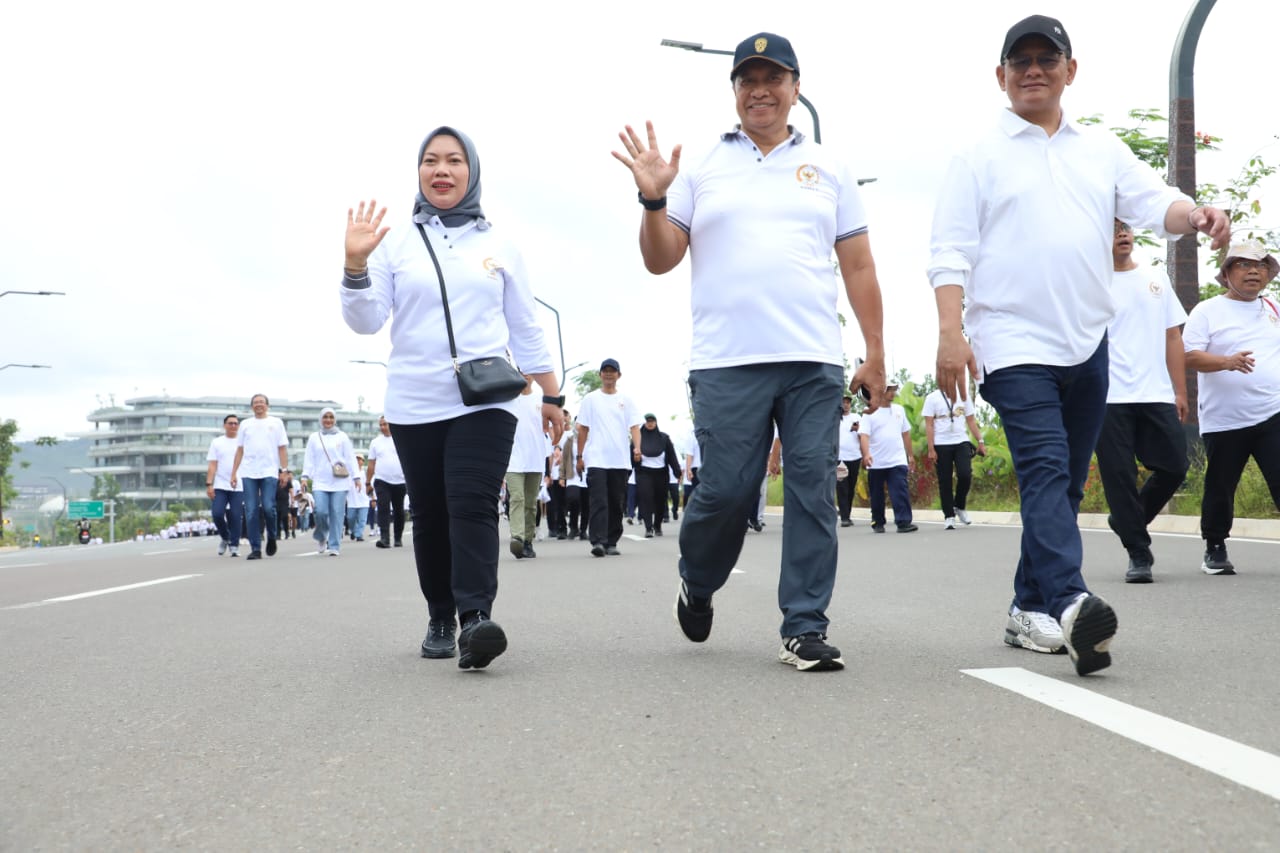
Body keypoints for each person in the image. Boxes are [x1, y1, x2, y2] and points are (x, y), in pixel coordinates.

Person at [928, 15, 1230, 676]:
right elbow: (948, 252)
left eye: (1047, 58)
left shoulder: (1101, 150)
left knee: (1061, 482)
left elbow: (1159, 204)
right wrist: (951, 335)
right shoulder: (976, 156)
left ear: (1070, 69)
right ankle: (1070, 601)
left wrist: (1197, 214)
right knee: (1044, 467)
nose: (1034, 69)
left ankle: (1025, 606)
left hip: (1085, 342)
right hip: (1010, 342)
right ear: (1001, 76)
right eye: (1021, 60)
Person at [613, 31, 887, 671]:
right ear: (734, 90)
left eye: (773, 78)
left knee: (814, 486)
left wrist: (875, 352)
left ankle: (804, 626)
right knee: (730, 490)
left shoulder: (830, 169)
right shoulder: (702, 167)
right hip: (726, 361)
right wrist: (654, 198)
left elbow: (860, 265)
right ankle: (698, 577)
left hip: (812, 358)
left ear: (795, 87)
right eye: (747, 79)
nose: (759, 90)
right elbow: (660, 260)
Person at [341, 125, 562, 670]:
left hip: (485, 398)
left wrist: (553, 394)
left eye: (454, 161)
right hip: (415, 400)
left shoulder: (499, 243)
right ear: (419, 173)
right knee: (433, 513)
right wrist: (354, 266)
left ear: (472, 172)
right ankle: (440, 614)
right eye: (431, 161)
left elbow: (525, 325)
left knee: (471, 503)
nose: (442, 170)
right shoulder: (396, 243)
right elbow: (367, 322)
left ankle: (475, 618)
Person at [1095, 220, 1190, 583]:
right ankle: (1138, 552)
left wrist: (1179, 391)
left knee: (1175, 466)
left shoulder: (1156, 278)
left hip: (1155, 393)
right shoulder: (1092, 282)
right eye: (1112, 228)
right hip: (1108, 398)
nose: (1121, 233)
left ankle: (1124, 520)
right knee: (1119, 476)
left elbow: (1172, 338)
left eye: (1125, 227)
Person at [1183, 241, 1280, 576]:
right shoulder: (1207, 311)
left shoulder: (1274, 307)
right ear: (1226, 274)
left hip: (1273, 412)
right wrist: (1226, 361)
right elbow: (1189, 356)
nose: (1253, 270)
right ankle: (1215, 547)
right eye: (1242, 264)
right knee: (1221, 485)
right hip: (1225, 420)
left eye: (1260, 265)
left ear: (1268, 274)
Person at [576, 358, 642, 557]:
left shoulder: (626, 400)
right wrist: (580, 455)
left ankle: (612, 541)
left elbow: (634, 427)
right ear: (600, 375)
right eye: (605, 371)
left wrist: (637, 447)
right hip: (596, 458)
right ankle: (598, 541)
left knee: (616, 501)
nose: (608, 374)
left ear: (618, 375)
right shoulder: (590, 399)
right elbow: (583, 428)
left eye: (612, 371)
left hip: (619, 459)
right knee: (598, 501)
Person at [230, 393, 290, 561]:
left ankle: (272, 536)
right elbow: (240, 450)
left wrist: (284, 470)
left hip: (269, 471)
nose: (259, 405)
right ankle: (255, 548)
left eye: (262, 402)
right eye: (255, 403)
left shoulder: (276, 423)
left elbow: (282, 448)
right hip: (248, 472)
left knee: (269, 507)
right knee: (250, 511)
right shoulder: (245, 424)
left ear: (267, 405)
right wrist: (234, 472)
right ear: (251, 406)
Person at [922, 386, 986, 530]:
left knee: (965, 475)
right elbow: (929, 424)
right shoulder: (932, 398)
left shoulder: (963, 396)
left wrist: (980, 441)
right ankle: (949, 516)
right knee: (945, 480)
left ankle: (959, 505)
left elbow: (970, 420)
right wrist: (931, 448)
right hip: (941, 443)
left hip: (961, 441)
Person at [858, 384, 917, 533]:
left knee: (900, 490)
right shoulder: (869, 413)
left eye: (893, 390)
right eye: (888, 390)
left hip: (897, 460)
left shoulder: (899, 410)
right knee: (877, 494)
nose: (892, 393)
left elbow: (906, 434)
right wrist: (866, 454)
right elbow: (864, 435)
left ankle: (903, 522)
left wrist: (910, 456)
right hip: (876, 461)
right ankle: (878, 522)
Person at [302, 407, 358, 556]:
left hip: (340, 481)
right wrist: (304, 476)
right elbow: (309, 458)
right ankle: (321, 536)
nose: (328, 420)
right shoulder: (314, 437)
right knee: (320, 511)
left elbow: (351, 458)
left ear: (335, 419)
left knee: (337, 513)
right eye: (325, 417)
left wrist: (357, 477)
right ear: (321, 419)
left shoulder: (343, 436)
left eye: (331, 417)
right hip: (320, 481)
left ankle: (334, 545)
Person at [506, 374, 550, 559]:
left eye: (528, 373)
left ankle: (528, 542)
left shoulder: (541, 400)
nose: (525, 376)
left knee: (531, 504)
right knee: (517, 497)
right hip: (513, 460)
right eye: (521, 372)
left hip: (535, 459)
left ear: (532, 376)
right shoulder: (508, 399)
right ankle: (517, 536)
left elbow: (549, 428)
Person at [635, 413, 682, 538]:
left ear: (656, 423)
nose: (650, 423)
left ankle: (657, 525)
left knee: (661, 501)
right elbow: (631, 458)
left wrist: (678, 472)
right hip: (644, 473)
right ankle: (648, 528)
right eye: (647, 421)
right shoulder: (637, 439)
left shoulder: (664, 438)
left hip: (661, 473)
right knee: (646, 499)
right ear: (644, 423)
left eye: (652, 421)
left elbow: (672, 456)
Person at [366, 415, 407, 548]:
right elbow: (371, 464)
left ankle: (398, 538)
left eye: (386, 424)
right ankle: (384, 538)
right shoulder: (375, 442)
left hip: (400, 480)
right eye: (381, 425)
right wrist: (367, 483)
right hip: (382, 480)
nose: (383, 427)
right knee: (382, 507)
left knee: (398, 509)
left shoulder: (401, 438)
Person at [205, 413, 243, 557]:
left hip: (238, 485)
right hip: (220, 484)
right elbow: (212, 465)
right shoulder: (217, 442)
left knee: (235, 515)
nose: (233, 426)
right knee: (217, 514)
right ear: (224, 425)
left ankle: (234, 545)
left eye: (235, 423)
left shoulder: (242, 442)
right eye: (230, 423)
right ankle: (225, 537)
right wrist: (209, 484)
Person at [835, 394, 862, 527]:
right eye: (843, 402)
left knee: (851, 487)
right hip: (840, 458)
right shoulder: (835, 419)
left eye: (848, 402)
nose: (846, 405)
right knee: (842, 488)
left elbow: (863, 435)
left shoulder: (856, 417)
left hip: (855, 457)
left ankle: (847, 513)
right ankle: (844, 517)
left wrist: (858, 429)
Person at [346, 454, 370, 542]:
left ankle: (359, 535)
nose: (358, 461)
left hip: (364, 500)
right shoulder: (349, 473)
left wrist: (373, 497)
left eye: (360, 459)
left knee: (362, 520)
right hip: (352, 500)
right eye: (356, 459)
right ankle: (354, 531)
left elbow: (370, 485)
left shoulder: (366, 473)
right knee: (350, 518)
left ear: (363, 462)